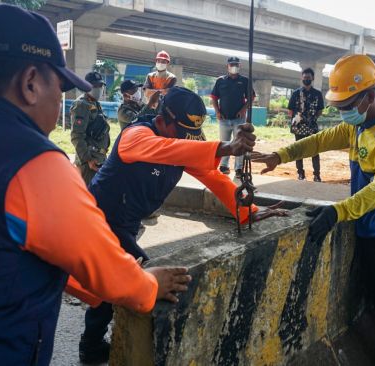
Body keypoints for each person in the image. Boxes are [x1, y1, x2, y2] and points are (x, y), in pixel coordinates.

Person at [0, 4, 191, 365]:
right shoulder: (31, 161)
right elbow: (108, 269)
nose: (59, 100)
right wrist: (150, 285)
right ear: (30, 83)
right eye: (58, 87)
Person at [253, 54, 375, 366]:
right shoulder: (357, 127)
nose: (342, 114)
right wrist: (280, 155)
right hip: (372, 225)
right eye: (338, 107)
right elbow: (318, 141)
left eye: (347, 106)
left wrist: (338, 211)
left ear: (370, 96)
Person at [79, 86, 287, 363]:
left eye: (191, 136)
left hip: (126, 221)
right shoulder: (135, 135)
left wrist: (248, 212)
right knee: (157, 283)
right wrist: (226, 147)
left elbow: (214, 177)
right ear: (163, 119)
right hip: (101, 218)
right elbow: (167, 148)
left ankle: (91, 346)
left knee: (109, 284)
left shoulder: (178, 142)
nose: (186, 140)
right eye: (182, 133)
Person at [211, 56, 254, 179]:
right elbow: (214, 97)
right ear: (227, 66)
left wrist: (244, 109)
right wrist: (217, 112)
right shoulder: (220, 81)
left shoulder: (245, 81)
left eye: (236, 64)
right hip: (224, 119)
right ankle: (224, 166)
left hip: (239, 120)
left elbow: (251, 97)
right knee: (224, 143)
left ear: (240, 66)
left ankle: (239, 168)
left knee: (240, 143)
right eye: (231, 64)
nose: (234, 66)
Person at [70, 71, 110, 185]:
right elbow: (76, 136)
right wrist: (88, 159)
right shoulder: (81, 105)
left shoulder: (95, 103)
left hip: (99, 159)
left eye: (100, 85)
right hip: (89, 163)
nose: (98, 88)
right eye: (95, 86)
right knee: (88, 196)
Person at [287, 67, 325, 181]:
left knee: (314, 150)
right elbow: (290, 111)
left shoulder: (318, 94)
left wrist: (312, 119)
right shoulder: (295, 93)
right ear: (302, 78)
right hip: (298, 127)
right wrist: (297, 119)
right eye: (304, 78)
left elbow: (320, 110)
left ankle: (317, 175)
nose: (306, 79)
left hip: (312, 127)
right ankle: (300, 174)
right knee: (299, 150)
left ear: (312, 78)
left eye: (308, 78)